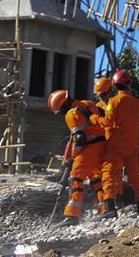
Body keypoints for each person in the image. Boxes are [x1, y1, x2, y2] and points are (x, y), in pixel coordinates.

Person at [90, 70, 139, 219]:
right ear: (128, 83)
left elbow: (107, 122)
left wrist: (93, 118)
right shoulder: (137, 102)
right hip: (132, 145)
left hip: (116, 145)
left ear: (114, 86)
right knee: (135, 176)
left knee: (109, 174)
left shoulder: (114, 102)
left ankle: (110, 208)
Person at [48, 89, 107, 223]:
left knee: (75, 178)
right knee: (97, 179)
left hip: (89, 148)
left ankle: (72, 215)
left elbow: (80, 139)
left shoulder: (71, 113)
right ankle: (105, 208)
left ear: (63, 106)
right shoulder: (88, 104)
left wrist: (73, 157)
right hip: (103, 145)